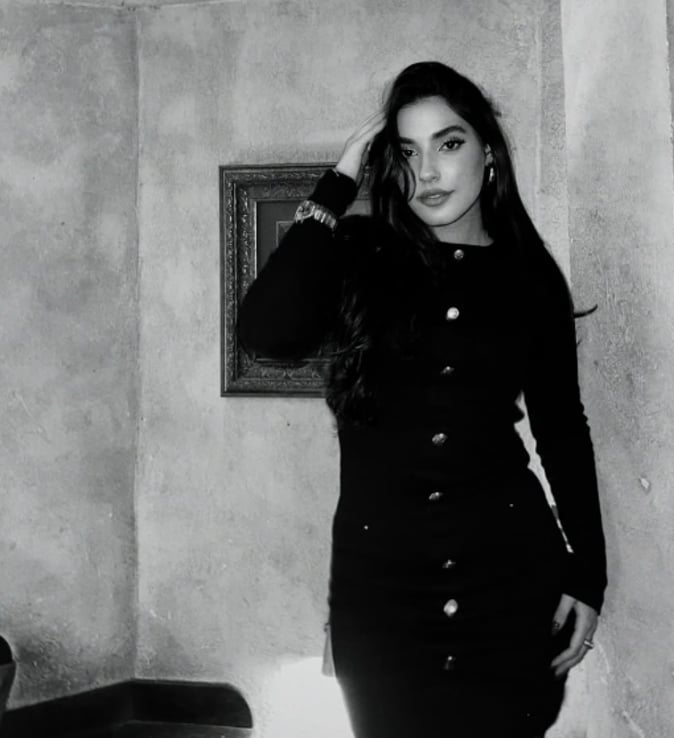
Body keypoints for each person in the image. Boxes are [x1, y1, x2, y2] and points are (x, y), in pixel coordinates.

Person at [237, 61, 607, 738]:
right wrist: (338, 179)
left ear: (488, 152)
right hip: (380, 594)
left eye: (449, 143)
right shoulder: (359, 254)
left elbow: (562, 429)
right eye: (406, 152)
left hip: (510, 582)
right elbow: (265, 331)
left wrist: (589, 574)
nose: (428, 171)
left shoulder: (530, 278)